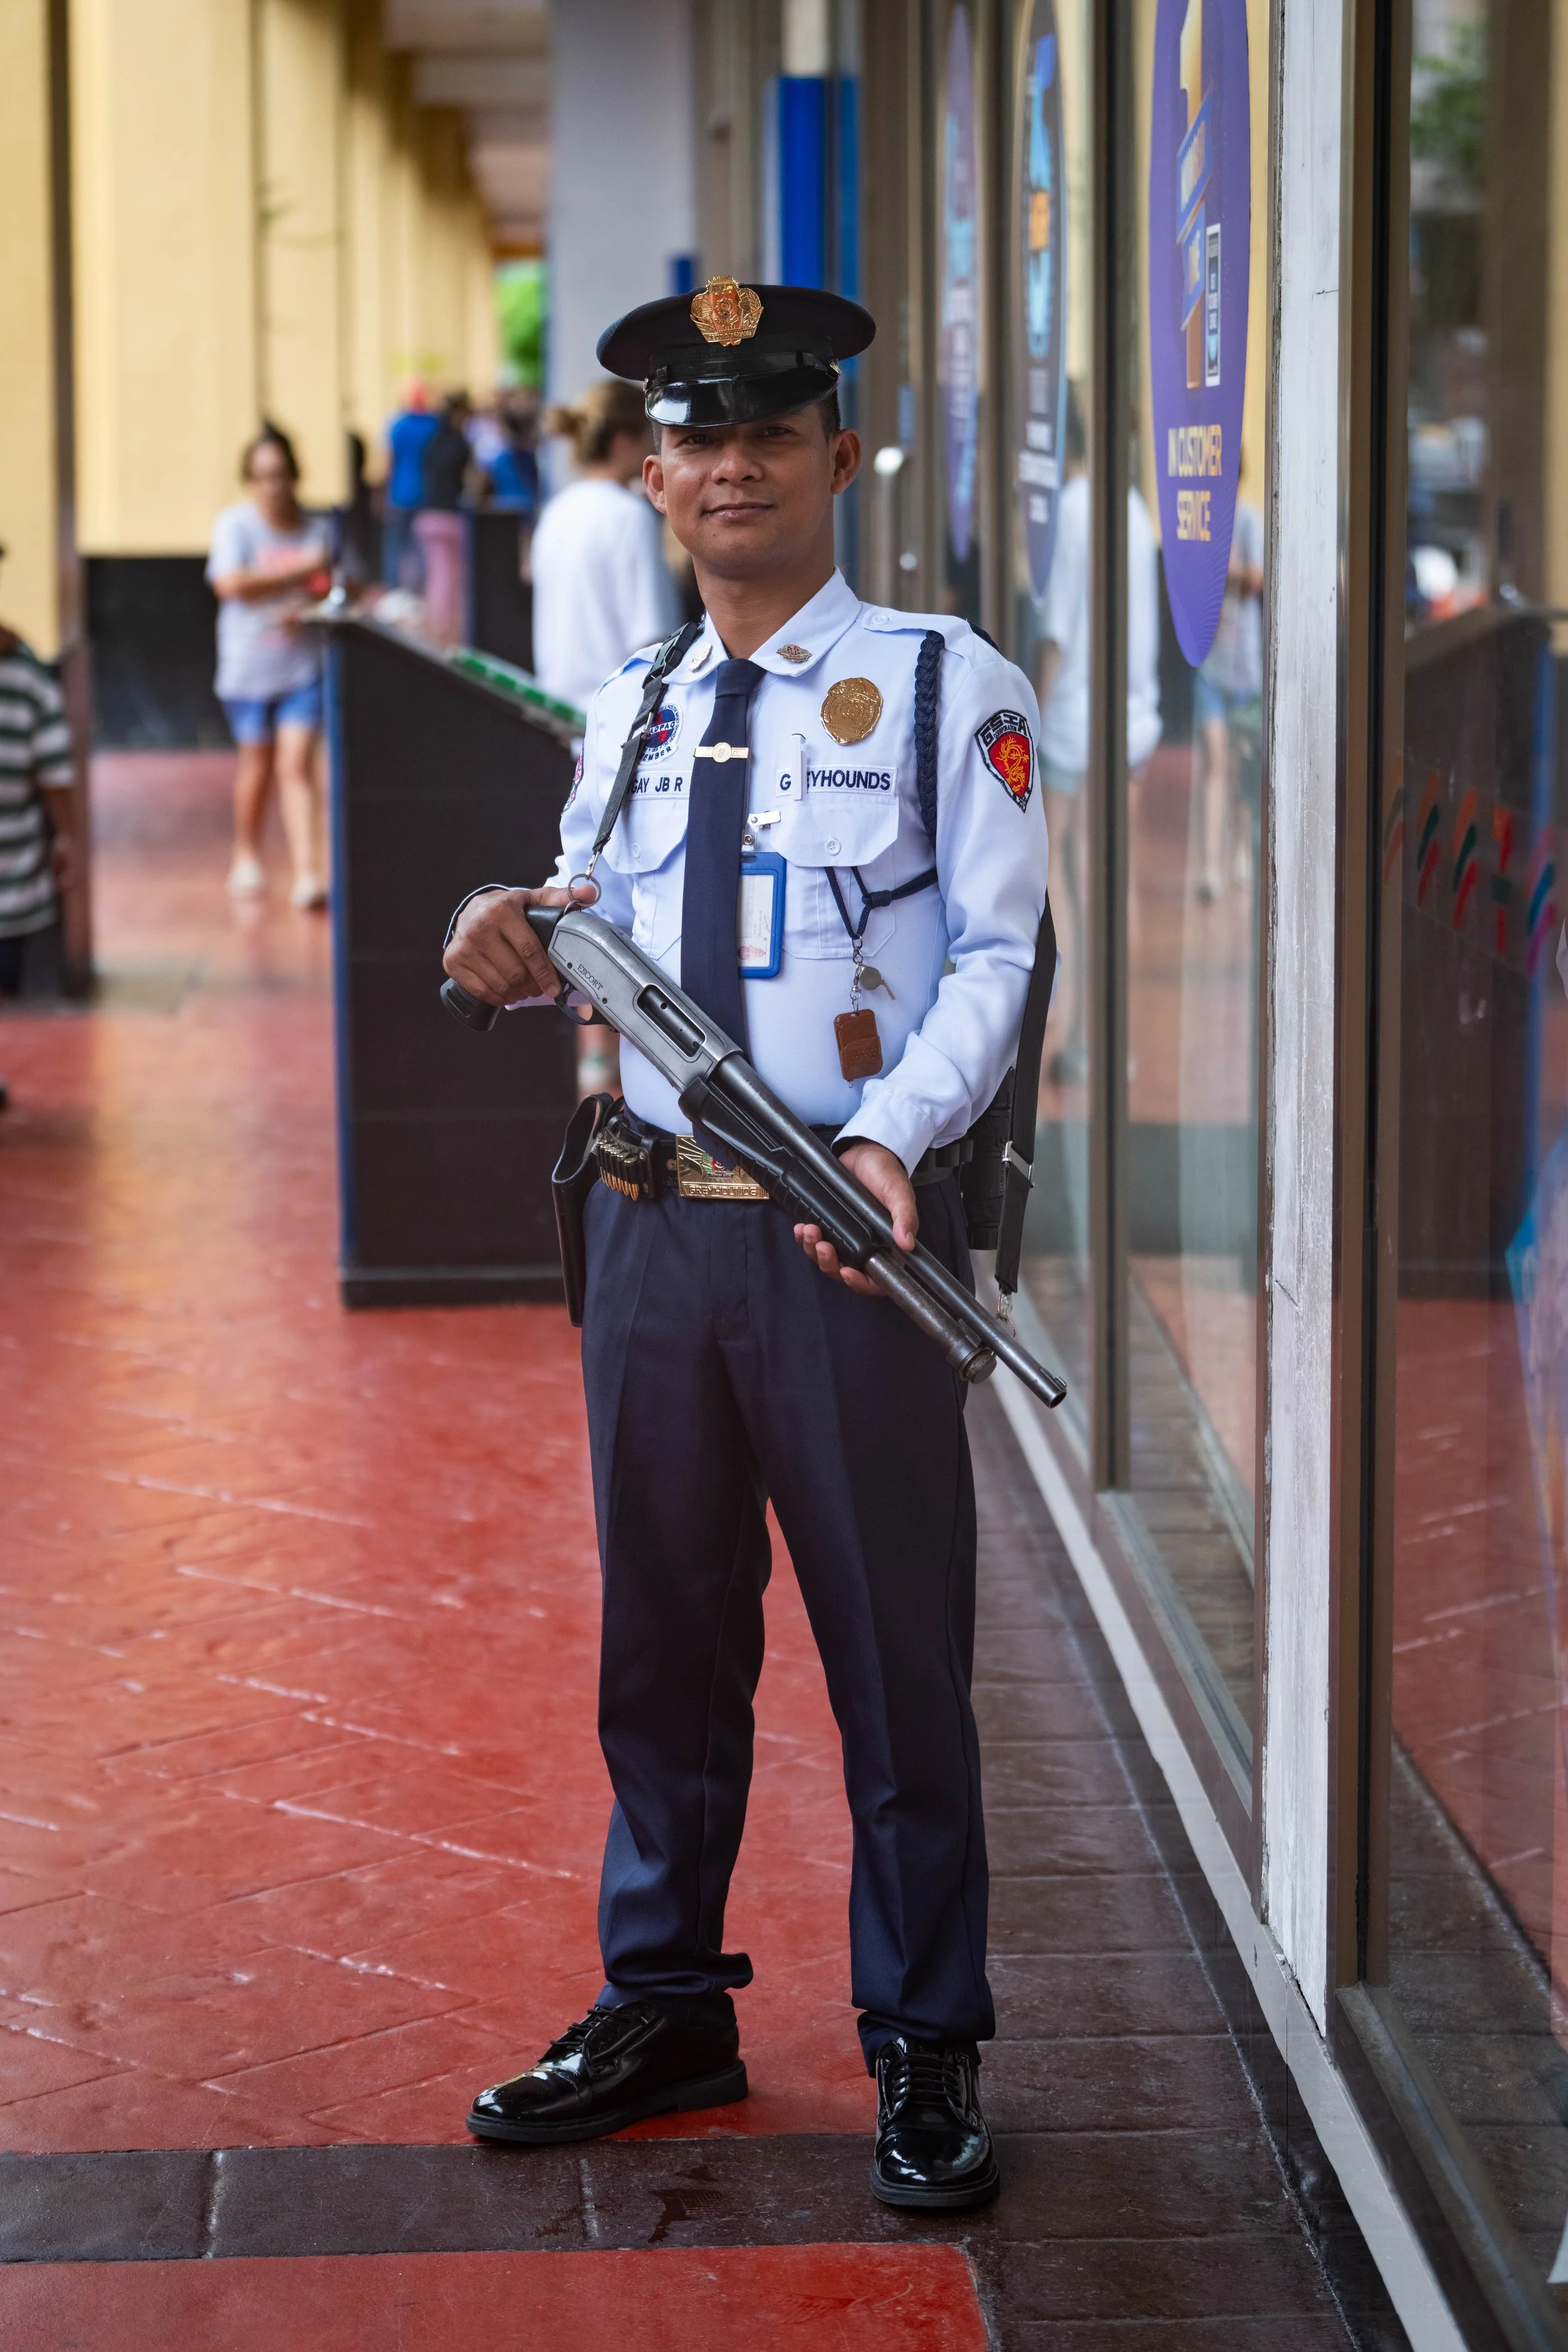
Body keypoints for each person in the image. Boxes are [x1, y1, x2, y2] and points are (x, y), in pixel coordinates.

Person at [443, 278, 1050, 2213]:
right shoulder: (623, 706)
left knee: (893, 1654)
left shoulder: (950, 685)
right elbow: (594, 928)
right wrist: (508, 937)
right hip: (645, 1236)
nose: (729, 467)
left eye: (767, 435)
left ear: (834, 457)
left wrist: (888, 1133)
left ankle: (923, 2032)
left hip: (842, 1244)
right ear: (647, 471)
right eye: (695, 439)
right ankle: (663, 1997)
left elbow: (991, 952)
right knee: (663, 1645)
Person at [1034, 391, 1161, 1083]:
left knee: (1059, 877)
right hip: (1132, 722)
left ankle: (1065, 1026)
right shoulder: (1137, 511)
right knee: (1118, 882)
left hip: (1072, 724)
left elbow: (1055, 633)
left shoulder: (1073, 511)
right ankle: (1115, 1042)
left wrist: (1030, 712)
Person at [207, 426, 332, 908]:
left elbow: (333, 581)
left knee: (295, 765)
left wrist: (307, 598)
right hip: (248, 667)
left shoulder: (317, 530)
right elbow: (230, 584)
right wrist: (300, 570)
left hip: (302, 666)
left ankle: (307, 871)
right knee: (257, 767)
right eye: (261, 477)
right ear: (249, 481)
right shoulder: (235, 526)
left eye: (280, 476)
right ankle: (246, 852)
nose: (272, 487)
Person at [530, 379, 679, 715]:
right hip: (618, 723)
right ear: (625, 441)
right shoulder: (628, 516)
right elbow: (654, 640)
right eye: (651, 437)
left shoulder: (557, 511)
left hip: (559, 714)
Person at [0, 540, 76, 1014]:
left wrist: (66, 836)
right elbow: (54, 773)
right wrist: (67, 835)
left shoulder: (24, 676)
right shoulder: (24, 675)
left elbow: (54, 770)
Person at [1194, 493, 1264, 901]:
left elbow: (1255, 579)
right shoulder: (1201, 522)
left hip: (1243, 666)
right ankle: (1209, 867)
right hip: (1209, 663)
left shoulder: (1248, 519)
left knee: (1237, 765)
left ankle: (1240, 848)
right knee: (1216, 763)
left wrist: (1220, 574)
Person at [414, 393, 474, 648]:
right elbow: (472, 480)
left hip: (428, 514)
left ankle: (437, 625)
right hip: (451, 516)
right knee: (450, 577)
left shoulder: (433, 442)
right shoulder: (461, 444)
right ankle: (448, 630)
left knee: (437, 574)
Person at [381, 384, 437, 591]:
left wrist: (384, 493)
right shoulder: (434, 425)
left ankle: (393, 587)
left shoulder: (397, 425)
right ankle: (420, 589)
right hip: (426, 493)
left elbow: (390, 461)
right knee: (421, 546)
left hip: (399, 492)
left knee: (395, 544)